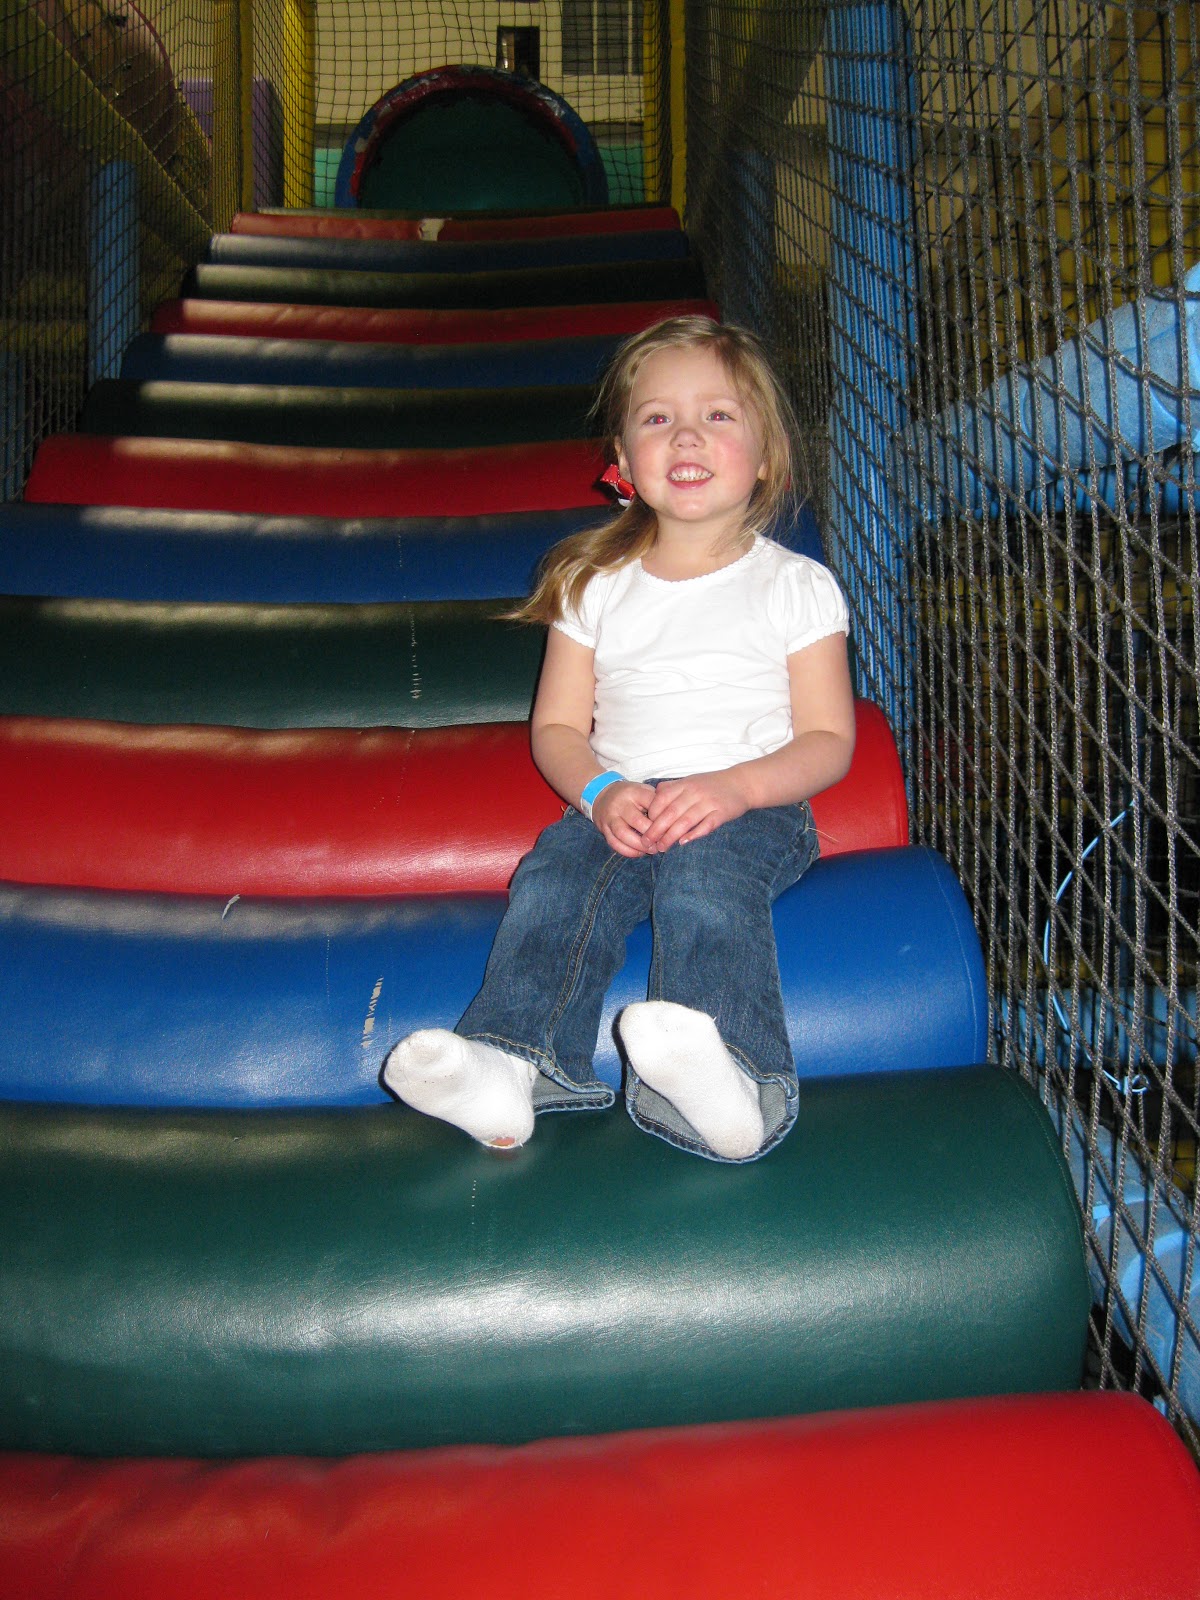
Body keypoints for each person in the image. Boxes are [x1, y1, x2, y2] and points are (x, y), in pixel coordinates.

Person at [383, 315, 856, 1162]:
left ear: (766, 455)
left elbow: (828, 739)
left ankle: (735, 1076)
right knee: (554, 881)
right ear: (625, 461)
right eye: (657, 418)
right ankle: (512, 1064)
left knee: (704, 884)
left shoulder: (795, 584)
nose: (687, 435)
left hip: (751, 805)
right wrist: (600, 793)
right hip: (622, 799)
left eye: (718, 415)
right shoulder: (592, 583)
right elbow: (558, 728)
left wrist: (737, 788)